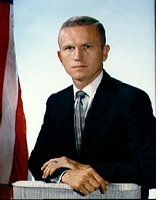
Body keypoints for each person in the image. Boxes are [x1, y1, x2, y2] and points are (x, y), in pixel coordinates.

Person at [28, 15, 156, 199]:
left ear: (105, 52)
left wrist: (85, 168)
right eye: (69, 48)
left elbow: (152, 167)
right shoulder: (56, 102)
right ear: (60, 56)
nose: (78, 56)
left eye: (87, 46)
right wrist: (65, 175)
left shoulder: (132, 99)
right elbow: (37, 161)